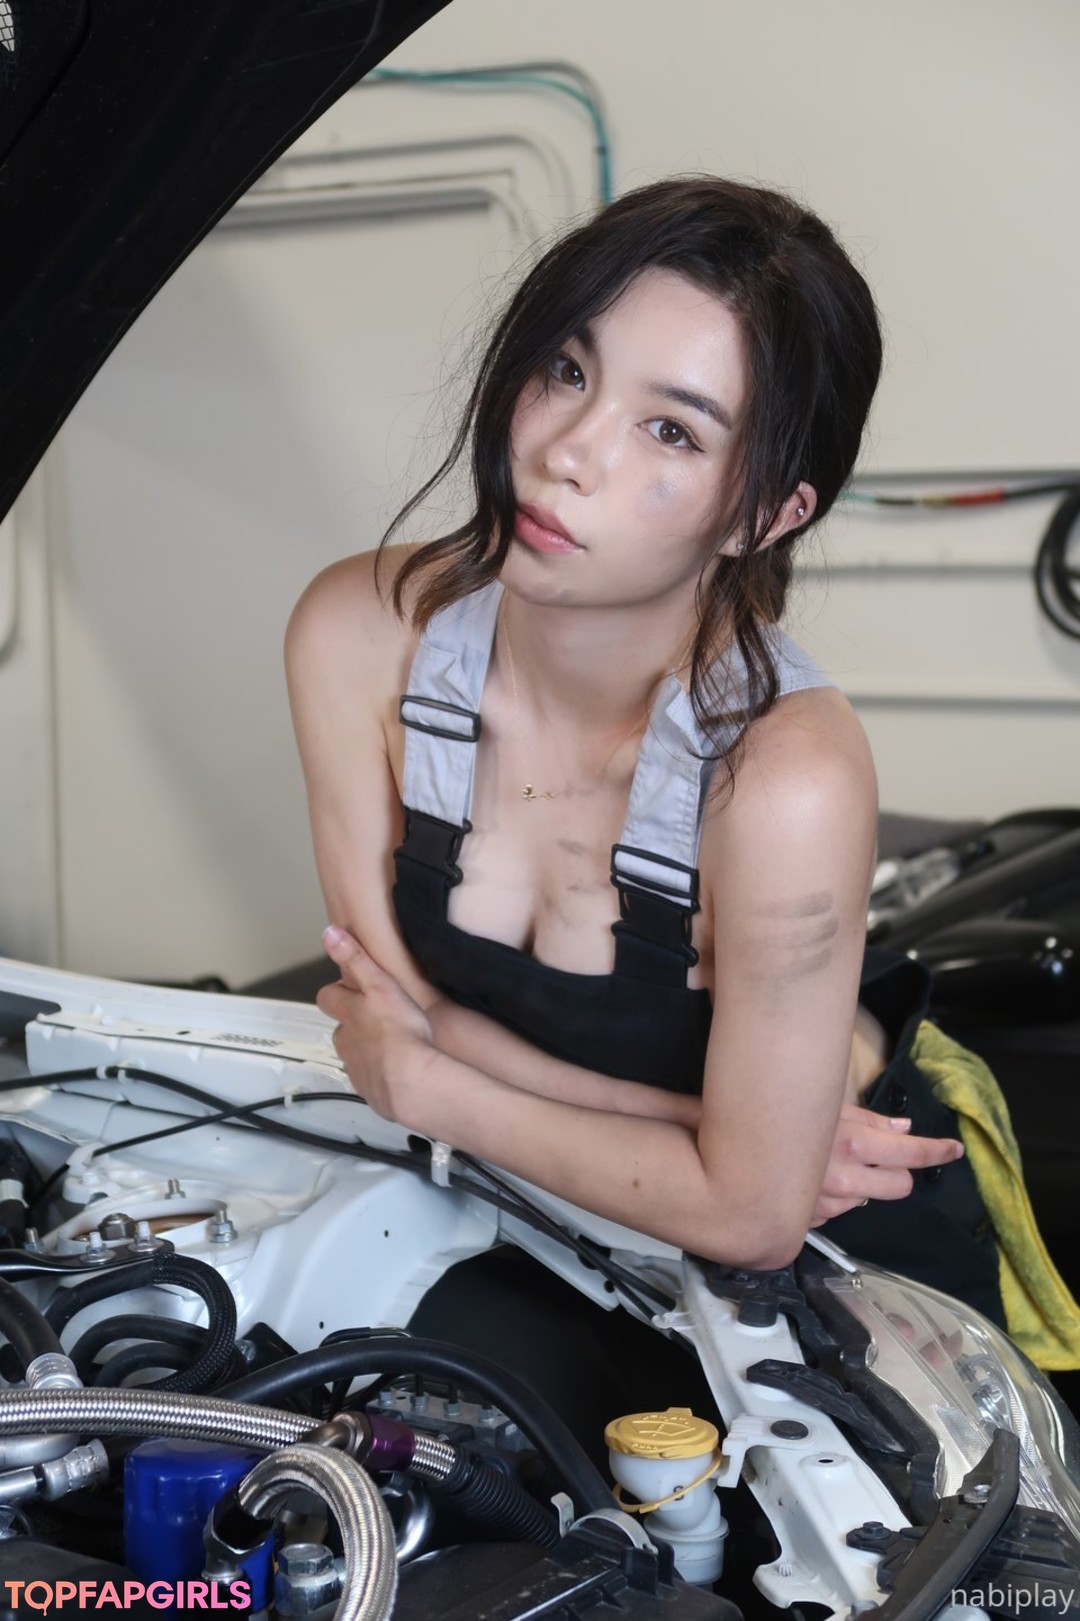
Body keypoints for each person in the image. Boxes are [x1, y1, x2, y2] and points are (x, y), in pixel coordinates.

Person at [286, 178, 1003, 1338]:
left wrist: (432, 1085)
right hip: (533, 1211)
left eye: (671, 429)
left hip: (845, 1243)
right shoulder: (358, 632)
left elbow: (757, 1219)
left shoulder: (785, 777)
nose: (568, 450)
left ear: (763, 516)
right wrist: (707, 1139)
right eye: (568, 369)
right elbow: (394, 1005)